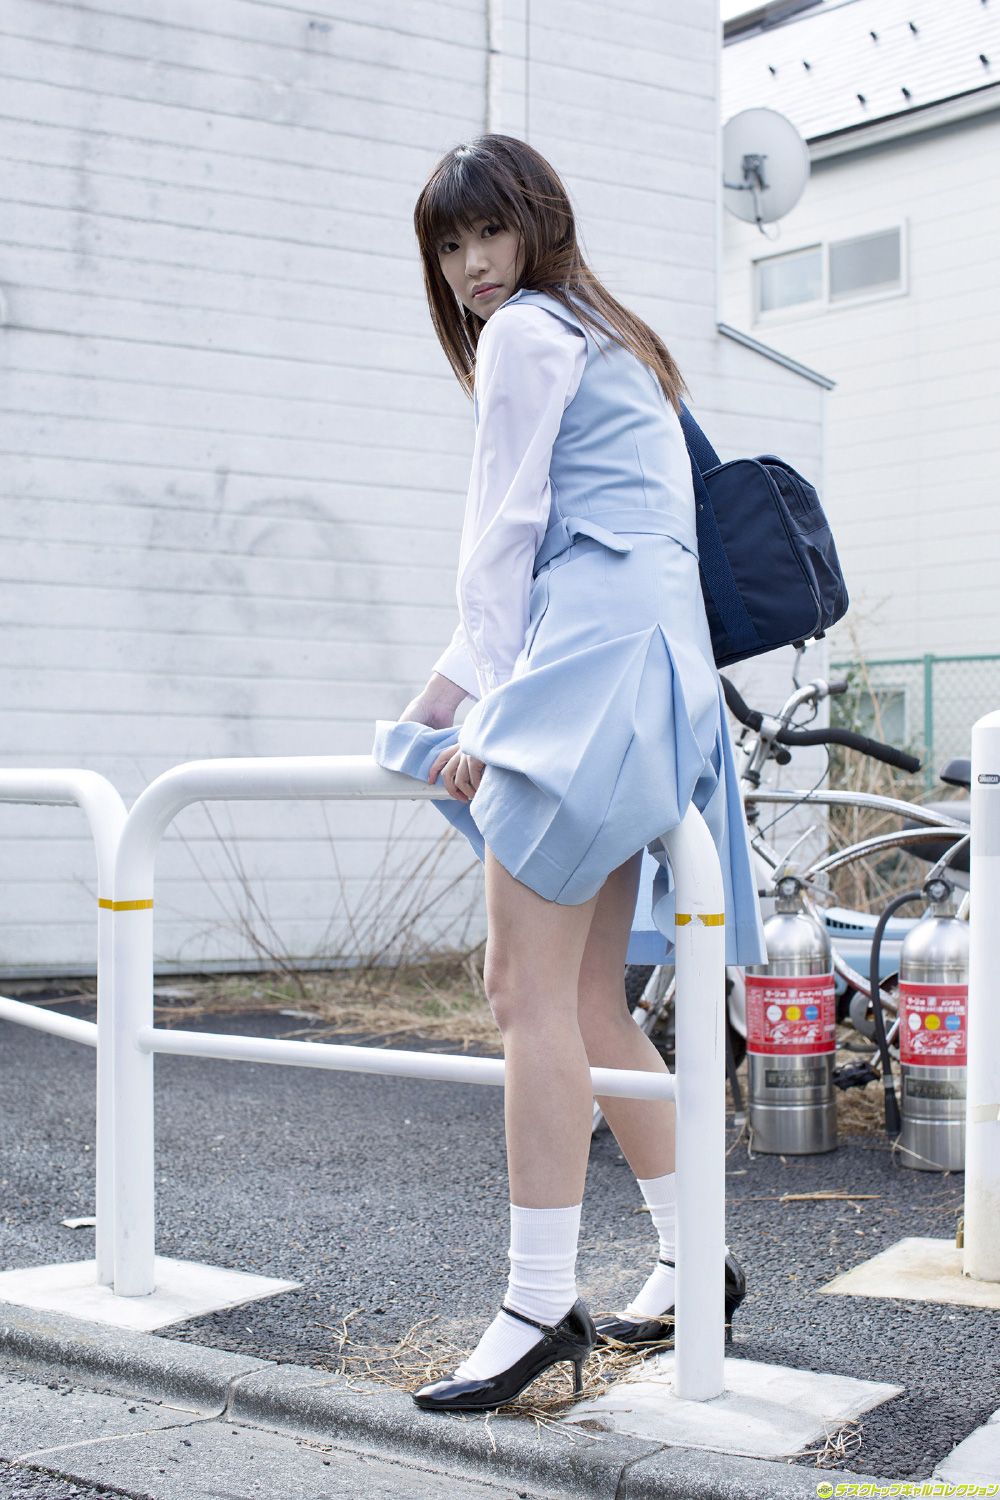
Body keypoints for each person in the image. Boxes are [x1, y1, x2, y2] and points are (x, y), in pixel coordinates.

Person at [371, 134, 767, 1414]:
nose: (471, 265)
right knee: (591, 1005)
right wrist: (435, 706)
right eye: (448, 244)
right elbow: (571, 545)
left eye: (489, 231)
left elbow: (503, 542)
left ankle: (539, 1305)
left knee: (522, 992)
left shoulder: (526, 335)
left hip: (590, 674)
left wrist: (481, 712)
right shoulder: (612, 335)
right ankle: (694, 1260)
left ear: (538, 221)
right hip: (652, 675)